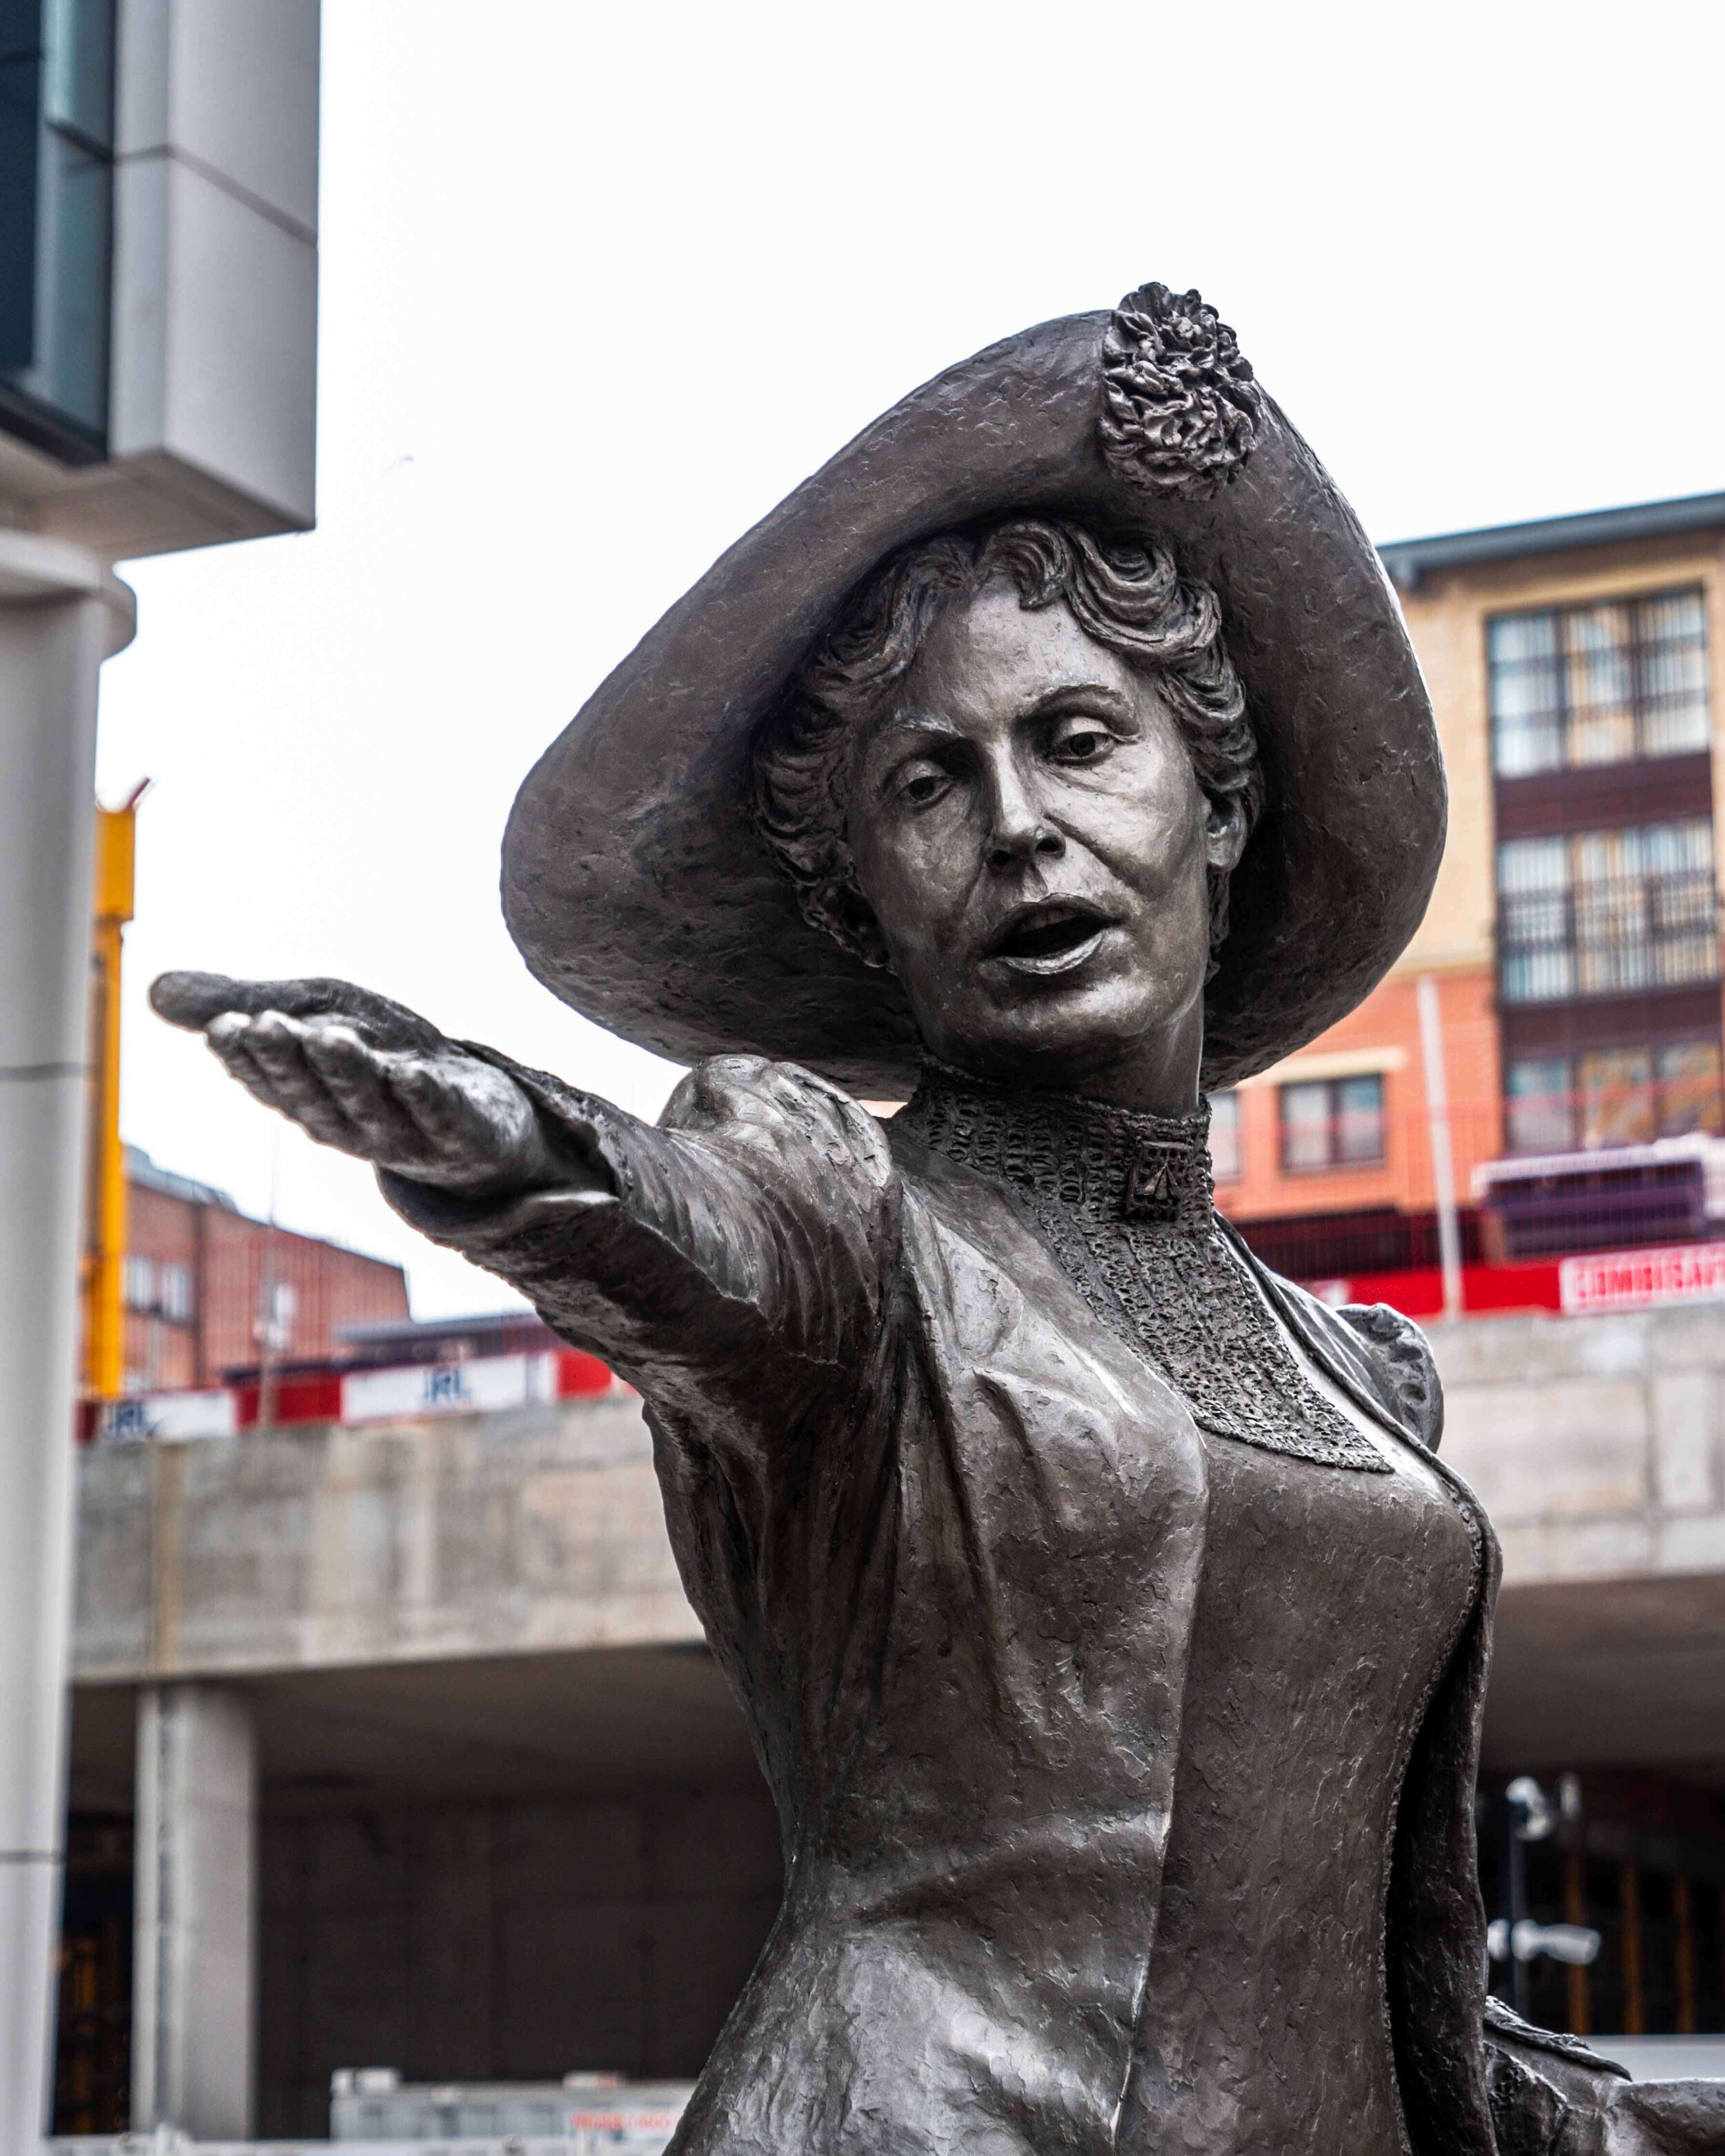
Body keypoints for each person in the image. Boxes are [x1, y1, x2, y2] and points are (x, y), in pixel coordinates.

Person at [154, 285, 1723, 2156]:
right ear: (864, 904)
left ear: (1214, 807)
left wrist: (1619, 2125)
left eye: (1077, 740)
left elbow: (1358, 1969)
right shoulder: (845, 1221)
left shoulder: (1360, 1370)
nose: (1015, 828)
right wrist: (513, 1141)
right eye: (927, 783)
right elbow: (702, 1240)